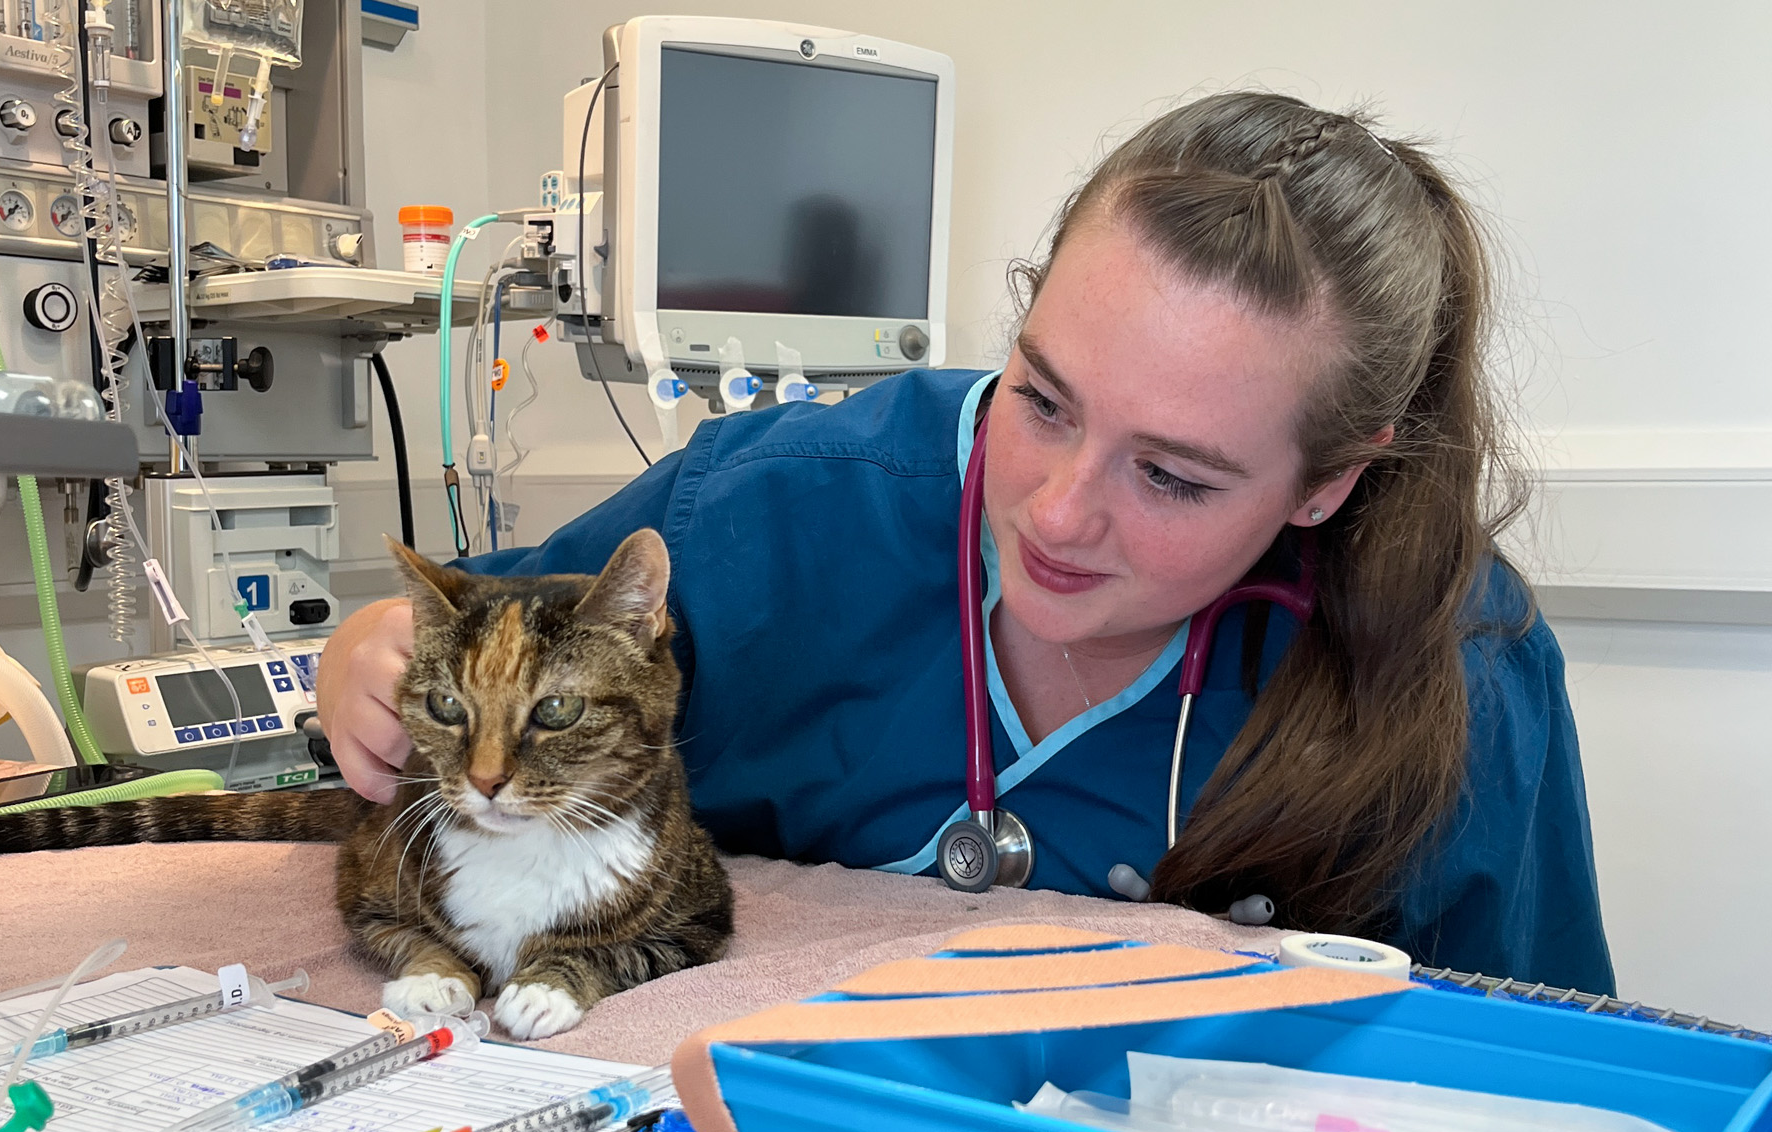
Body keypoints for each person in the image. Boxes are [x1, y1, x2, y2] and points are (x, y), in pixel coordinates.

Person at [319, 92, 1614, 993]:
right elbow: (480, 662)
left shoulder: (1453, 665)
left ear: (1326, 485)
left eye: (1169, 475)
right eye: (1040, 397)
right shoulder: (784, 508)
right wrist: (373, 665)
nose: (1055, 511)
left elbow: (1545, 1085)